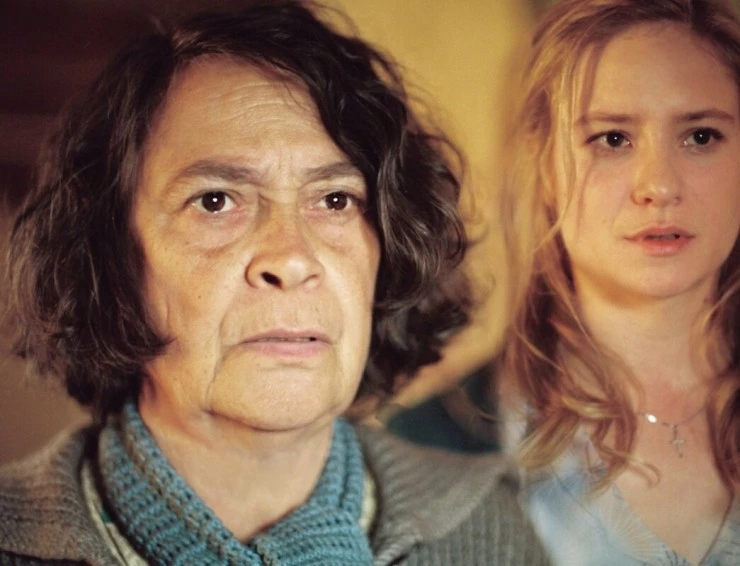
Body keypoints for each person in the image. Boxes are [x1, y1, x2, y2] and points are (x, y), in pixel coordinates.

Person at [0, 1, 550, 564]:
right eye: (216, 201)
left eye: (335, 200)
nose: (290, 259)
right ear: (110, 258)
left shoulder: (485, 533)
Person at [493, 0, 740, 564]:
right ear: (545, 165)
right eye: (611, 139)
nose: (659, 186)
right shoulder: (442, 440)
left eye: (701, 136)